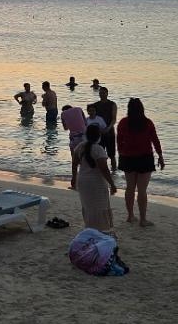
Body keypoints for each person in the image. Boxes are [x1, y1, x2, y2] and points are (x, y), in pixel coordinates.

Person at [116, 98, 165, 227]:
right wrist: (160, 156)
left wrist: (121, 152)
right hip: (145, 158)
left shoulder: (123, 122)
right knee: (142, 190)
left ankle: (130, 216)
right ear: (142, 109)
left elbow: (119, 140)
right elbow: (155, 140)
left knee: (130, 188)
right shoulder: (147, 123)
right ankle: (143, 219)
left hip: (128, 157)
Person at [70, 123, 117, 234]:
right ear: (99, 136)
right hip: (97, 183)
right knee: (100, 206)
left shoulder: (80, 147)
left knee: (88, 206)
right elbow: (104, 169)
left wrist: (74, 178)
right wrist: (112, 184)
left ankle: (90, 227)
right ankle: (101, 229)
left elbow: (74, 164)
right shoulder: (98, 149)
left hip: (83, 181)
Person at [87, 87, 118, 168]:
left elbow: (114, 119)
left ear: (107, 93)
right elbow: (92, 117)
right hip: (97, 134)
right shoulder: (96, 105)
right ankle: (100, 172)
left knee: (112, 155)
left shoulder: (112, 104)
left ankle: (114, 173)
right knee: (99, 155)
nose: (102, 94)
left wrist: (108, 128)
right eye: (100, 93)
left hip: (109, 132)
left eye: (104, 93)